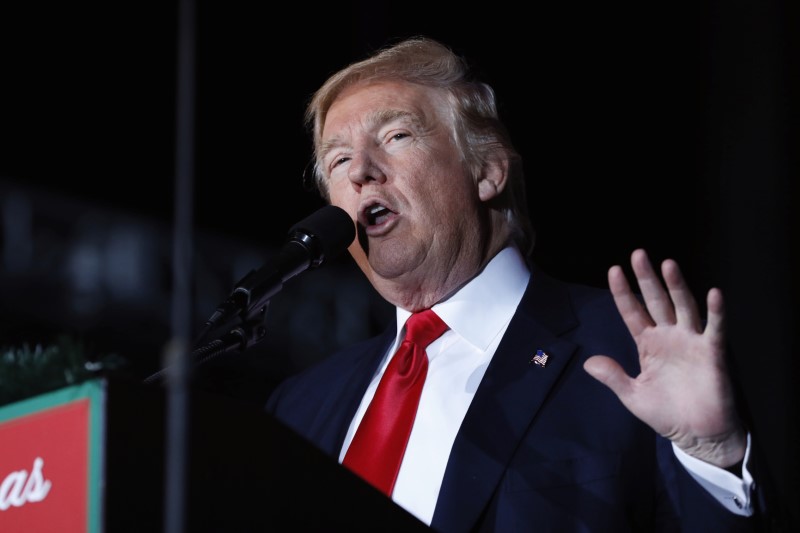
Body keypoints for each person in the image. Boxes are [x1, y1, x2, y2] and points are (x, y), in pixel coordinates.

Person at [265, 36, 760, 531]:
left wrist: (713, 456)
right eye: (338, 161)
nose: (360, 173)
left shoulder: (627, 351)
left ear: (487, 170)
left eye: (396, 136)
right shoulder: (299, 406)